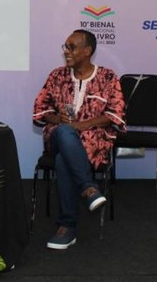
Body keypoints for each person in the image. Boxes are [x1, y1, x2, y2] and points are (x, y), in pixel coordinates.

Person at [32, 29, 126, 250]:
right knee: (64, 132)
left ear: (87, 51)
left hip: (93, 144)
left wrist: (81, 125)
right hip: (56, 139)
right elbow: (39, 111)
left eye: (72, 47)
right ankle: (89, 188)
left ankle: (67, 228)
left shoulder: (108, 77)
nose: (66, 51)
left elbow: (116, 115)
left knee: (65, 160)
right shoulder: (57, 76)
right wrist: (58, 118)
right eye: (65, 46)